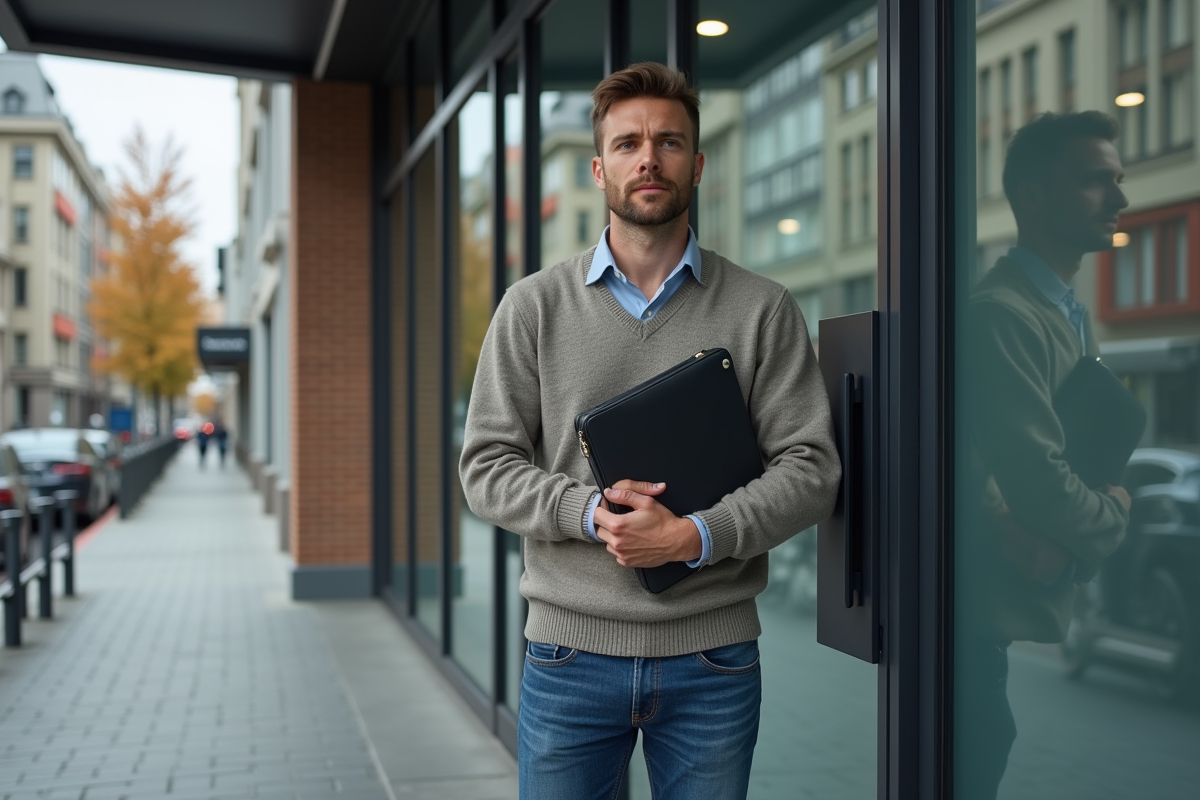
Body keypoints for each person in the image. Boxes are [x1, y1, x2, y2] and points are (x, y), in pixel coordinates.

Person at [459, 62, 840, 800]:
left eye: (669, 142)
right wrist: (591, 513)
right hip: (569, 655)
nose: (649, 159)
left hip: (713, 659)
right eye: (628, 143)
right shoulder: (532, 307)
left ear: (696, 164)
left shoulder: (762, 309)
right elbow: (485, 466)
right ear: (599, 168)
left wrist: (694, 535)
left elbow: (811, 469)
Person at [958, 111, 1134, 799]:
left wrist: (1065, 553)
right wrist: (1114, 517)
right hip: (967, 619)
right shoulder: (1004, 314)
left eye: (1118, 178)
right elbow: (1037, 481)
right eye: (1095, 181)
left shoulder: (1064, 311)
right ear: (1031, 197)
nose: (1119, 198)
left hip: (988, 616)